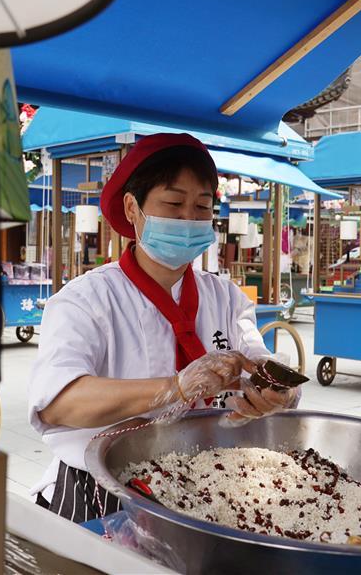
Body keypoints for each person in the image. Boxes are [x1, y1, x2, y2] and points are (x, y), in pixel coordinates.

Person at [27, 133, 301, 522]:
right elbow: (59, 404)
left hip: (205, 486)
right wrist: (175, 387)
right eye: (173, 204)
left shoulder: (226, 297)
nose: (189, 219)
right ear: (132, 208)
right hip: (100, 489)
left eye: (202, 206)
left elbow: (257, 360)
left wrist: (278, 393)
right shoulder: (86, 300)